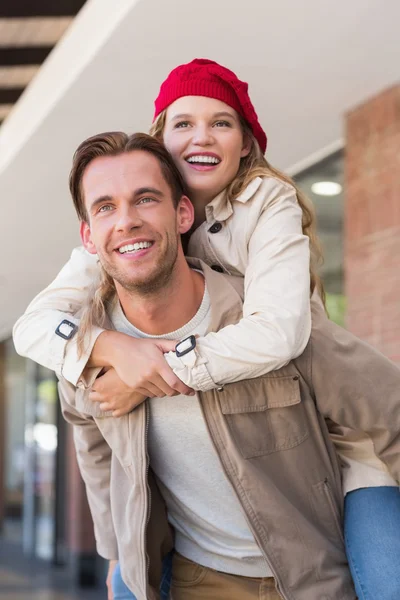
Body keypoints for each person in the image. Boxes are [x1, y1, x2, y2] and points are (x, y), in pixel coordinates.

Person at [13, 59, 400, 599]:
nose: (127, 219)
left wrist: (157, 367)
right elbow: (81, 421)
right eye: (184, 124)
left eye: (222, 122)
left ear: (181, 214)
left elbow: (293, 341)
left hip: (335, 488)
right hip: (193, 572)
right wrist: (111, 347)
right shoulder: (92, 336)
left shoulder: (267, 212)